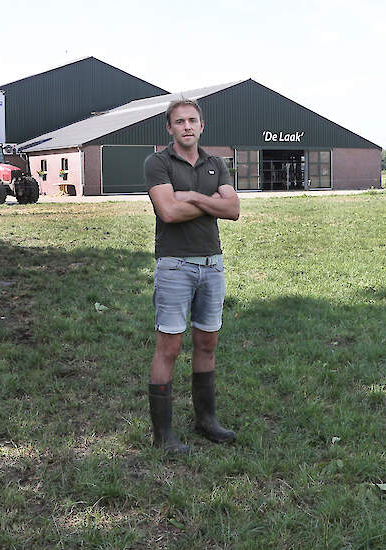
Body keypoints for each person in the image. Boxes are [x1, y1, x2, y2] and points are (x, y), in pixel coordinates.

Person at [143, 98, 240, 454]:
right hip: (174, 266)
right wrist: (208, 202)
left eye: (192, 120)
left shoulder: (216, 164)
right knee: (169, 346)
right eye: (179, 121)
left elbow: (232, 209)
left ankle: (206, 420)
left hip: (212, 265)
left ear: (202, 126)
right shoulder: (157, 163)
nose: (186, 126)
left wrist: (194, 197)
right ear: (169, 128)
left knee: (207, 343)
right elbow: (167, 211)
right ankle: (163, 435)